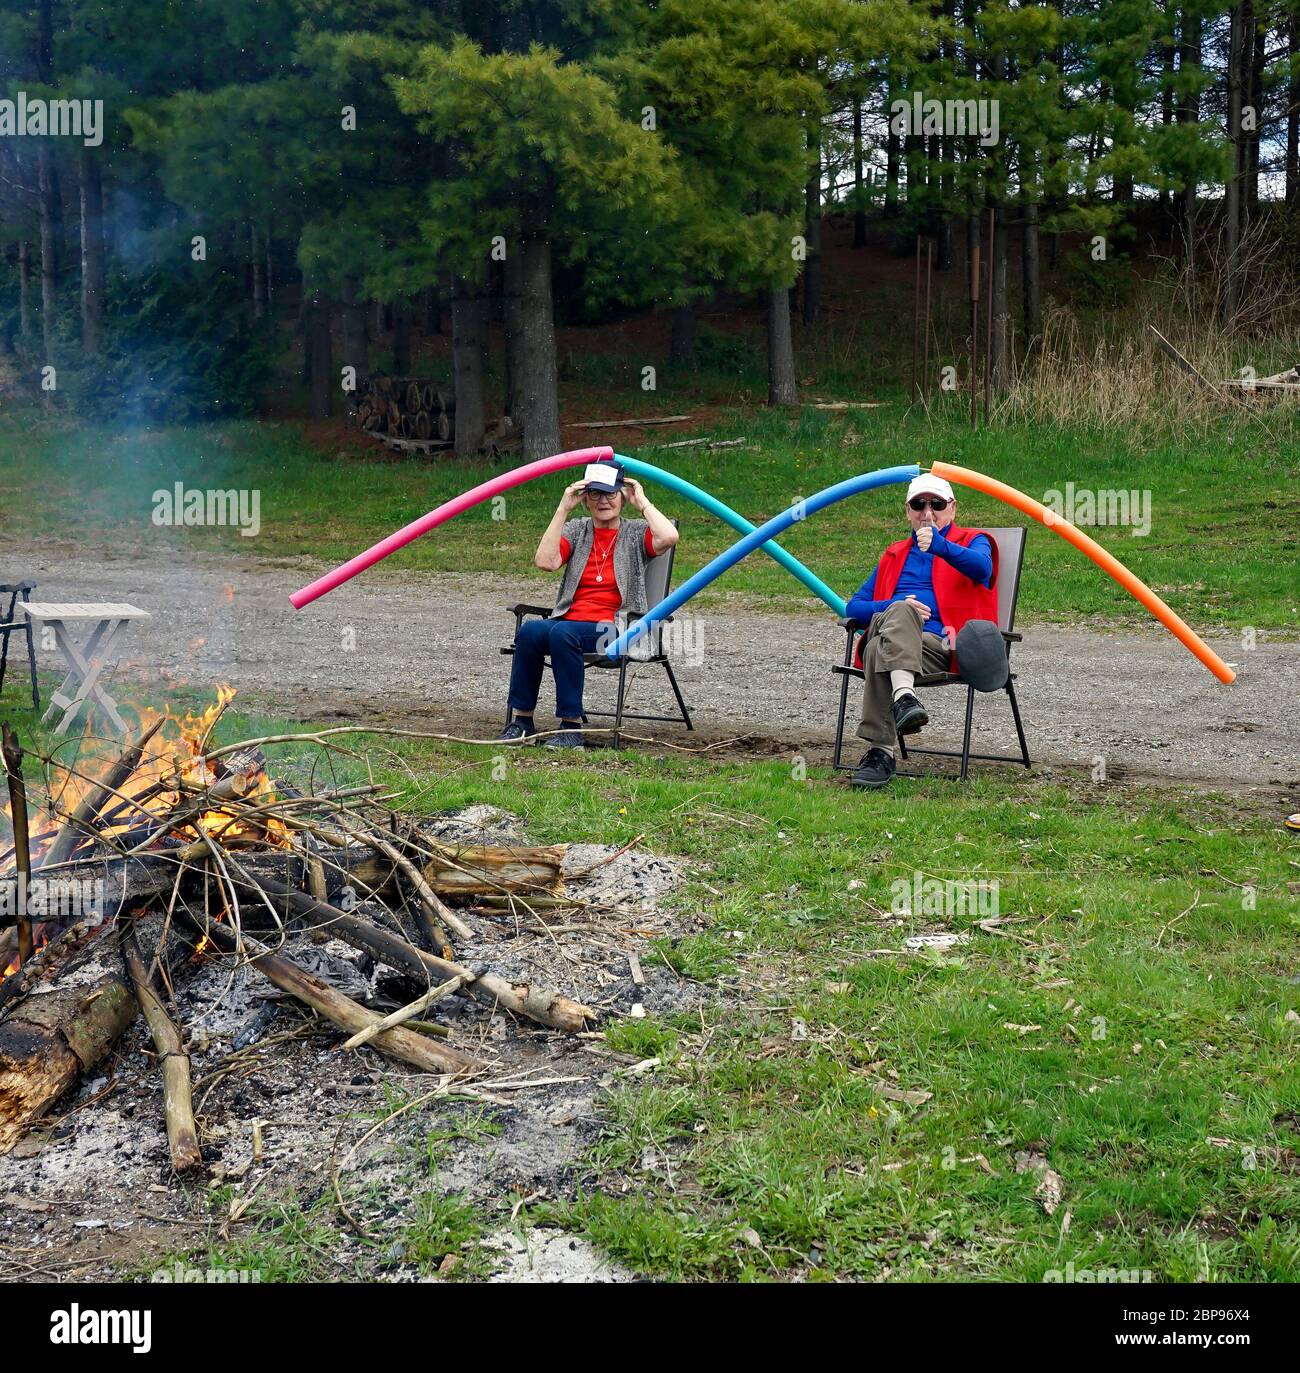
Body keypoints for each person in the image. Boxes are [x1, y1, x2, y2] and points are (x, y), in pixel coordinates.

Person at [499, 459, 679, 749]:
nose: (603, 500)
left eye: (610, 493)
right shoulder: (578, 530)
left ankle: (571, 728)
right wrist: (563, 509)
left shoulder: (634, 533)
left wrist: (642, 501)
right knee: (531, 632)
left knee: (562, 633)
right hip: (569, 622)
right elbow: (546, 562)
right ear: (585, 499)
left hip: (617, 629)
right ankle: (522, 723)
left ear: (622, 495)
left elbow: (669, 536)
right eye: (595, 493)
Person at [846, 473, 998, 788]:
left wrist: (940, 545)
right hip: (896, 636)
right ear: (907, 511)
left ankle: (881, 753)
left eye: (936, 504)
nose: (927, 513)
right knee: (901, 609)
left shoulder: (973, 540)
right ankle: (905, 698)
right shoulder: (895, 553)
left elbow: (984, 569)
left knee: (877, 649)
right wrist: (894, 604)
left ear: (952, 508)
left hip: (943, 646)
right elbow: (853, 608)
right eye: (918, 504)